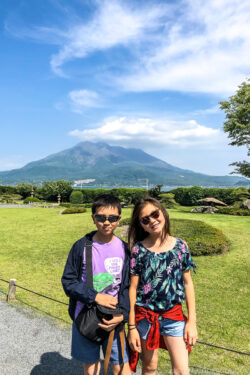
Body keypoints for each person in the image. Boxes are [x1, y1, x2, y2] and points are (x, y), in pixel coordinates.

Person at [61, 194, 131, 375]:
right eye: (101, 217)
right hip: (86, 315)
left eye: (112, 218)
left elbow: (128, 287)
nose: (106, 222)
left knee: (121, 365)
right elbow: (68, 281)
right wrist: (96, 296)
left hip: (114, 316)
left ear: (119, 219)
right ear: (93, 218)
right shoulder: (81, 246)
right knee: (91, 365)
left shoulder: (125, 249)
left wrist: (123, 315)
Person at [128, 197, 197, 375]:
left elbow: (188, 284)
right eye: (145, 219)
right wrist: (132, 327)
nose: (152, 220)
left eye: (154, 214)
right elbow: (133, 289)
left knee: (182, 370)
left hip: (173, 315)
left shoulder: (181, 246)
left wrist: (192, 322)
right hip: (145, 317)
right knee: (149, 368)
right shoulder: (139, 250)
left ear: (163, 213)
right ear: (141, 225)